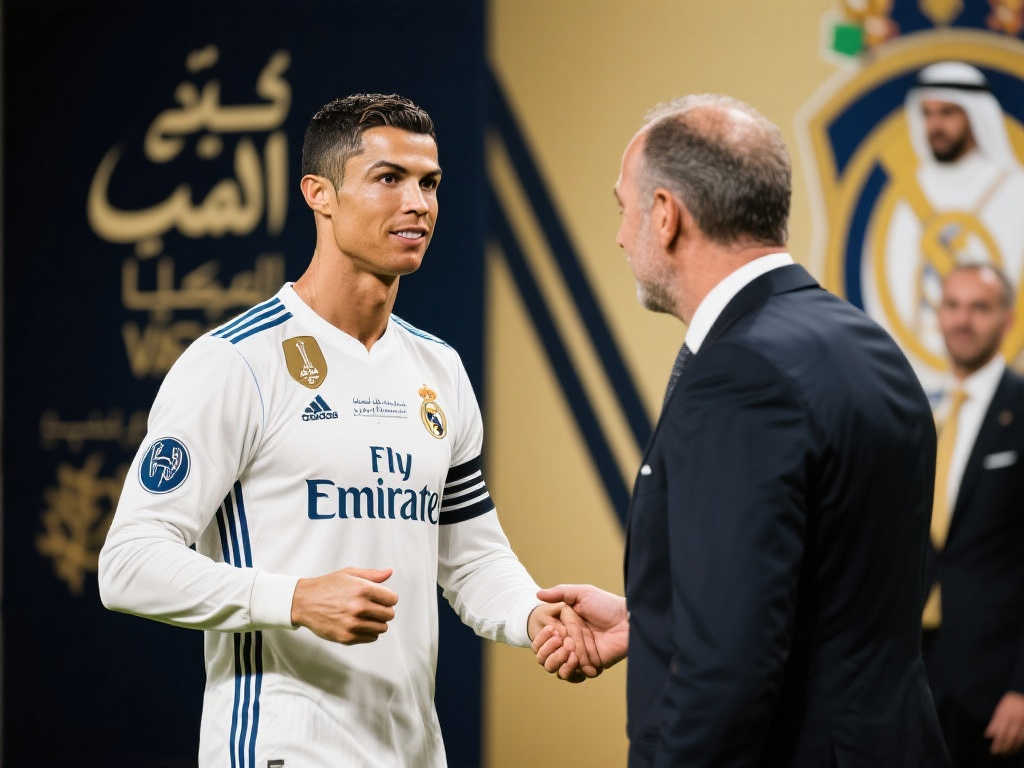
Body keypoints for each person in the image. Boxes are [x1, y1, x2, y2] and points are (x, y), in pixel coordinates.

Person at [98, 93, 594, 768]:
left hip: (414, 750)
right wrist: (295, 599)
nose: (417, 203)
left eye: (429, 183)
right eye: (389, 178)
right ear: (319, 194)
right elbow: (128, 565)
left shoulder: (439, 370)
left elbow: (472, 558)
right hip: (280, 748)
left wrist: (534, 617)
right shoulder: (237, 362)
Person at [532, 94, 950, 766]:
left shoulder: (740, 374)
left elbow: (726, 675)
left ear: (665, 214)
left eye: (623, 208)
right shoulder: (866, 343)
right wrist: (657, 620)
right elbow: (830, 586)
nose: (620, 237)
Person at [867, 61, 1024, 395]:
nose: (935, 125)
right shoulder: (907, 194)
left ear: (974, 115)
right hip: (916, 377)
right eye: (928, 114)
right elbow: (889, 284)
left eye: (948, 113)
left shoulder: (1013, 189)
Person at [924, 263, 1024, 765]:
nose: (963, 320)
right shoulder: (925, 415)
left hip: (996, 692)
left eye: (979, 308)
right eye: (953, 306)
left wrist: (1023, 689)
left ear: (1007, 320)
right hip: (919, 677)